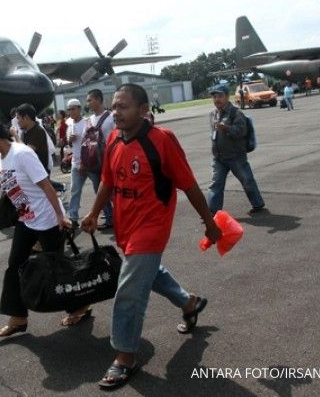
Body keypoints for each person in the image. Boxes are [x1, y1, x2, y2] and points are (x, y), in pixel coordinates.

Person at [80, 84, 221, 390]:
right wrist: (93, 213)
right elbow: (107, 181)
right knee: (148, 272)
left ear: (144, 111)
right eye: (114, 107)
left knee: (129, 290)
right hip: (125, 225)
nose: (116, 112)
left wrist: (209, 221)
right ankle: (189, 303)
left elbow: (189, 184)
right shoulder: (114, 139)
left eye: (124, 107)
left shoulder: (162, 140)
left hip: (152, 225)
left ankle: (124, 358)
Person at [0, 115, 75, 337]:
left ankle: (79, 307)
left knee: (56, 269)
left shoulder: (22, 154)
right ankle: (18, 317)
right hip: (26, 220)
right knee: (14, 267)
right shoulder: (2, 158)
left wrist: (60, 216)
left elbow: (47, 186)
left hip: (48, 220)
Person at [207, 83, 266, 214]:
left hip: (236, 156)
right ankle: (212, 211)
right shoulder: (212, 114)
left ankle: (257, 204)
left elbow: (241, 131)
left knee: (247, 180)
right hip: (219, 157)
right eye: (214, 96)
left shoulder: (236, 113)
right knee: (216, 184)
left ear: (227, 96)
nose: (217, 99)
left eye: (220, 96)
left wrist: (226, 128)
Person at [84, 89, 114, 229]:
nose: (88, 103)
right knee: (99, 192)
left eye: (90, 100)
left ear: (98, 99)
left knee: (114, 191)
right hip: (94, 162)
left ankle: (122, 215)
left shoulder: (111, 117)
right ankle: (109, 218)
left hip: (110, 160)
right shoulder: (89, 120)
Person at [64, 98, 87, 228]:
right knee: (74, 190)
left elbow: (90, 143)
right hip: (75, 162)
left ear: (79, 109)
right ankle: (73, 218)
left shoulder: (86, 123)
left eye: (73, 109)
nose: (71, 111)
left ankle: (110, 214)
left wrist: (84, 161)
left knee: (99, 189)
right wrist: (69, 140)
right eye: (69, 109)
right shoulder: (69, 124)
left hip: (88, 163)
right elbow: (68, 143)